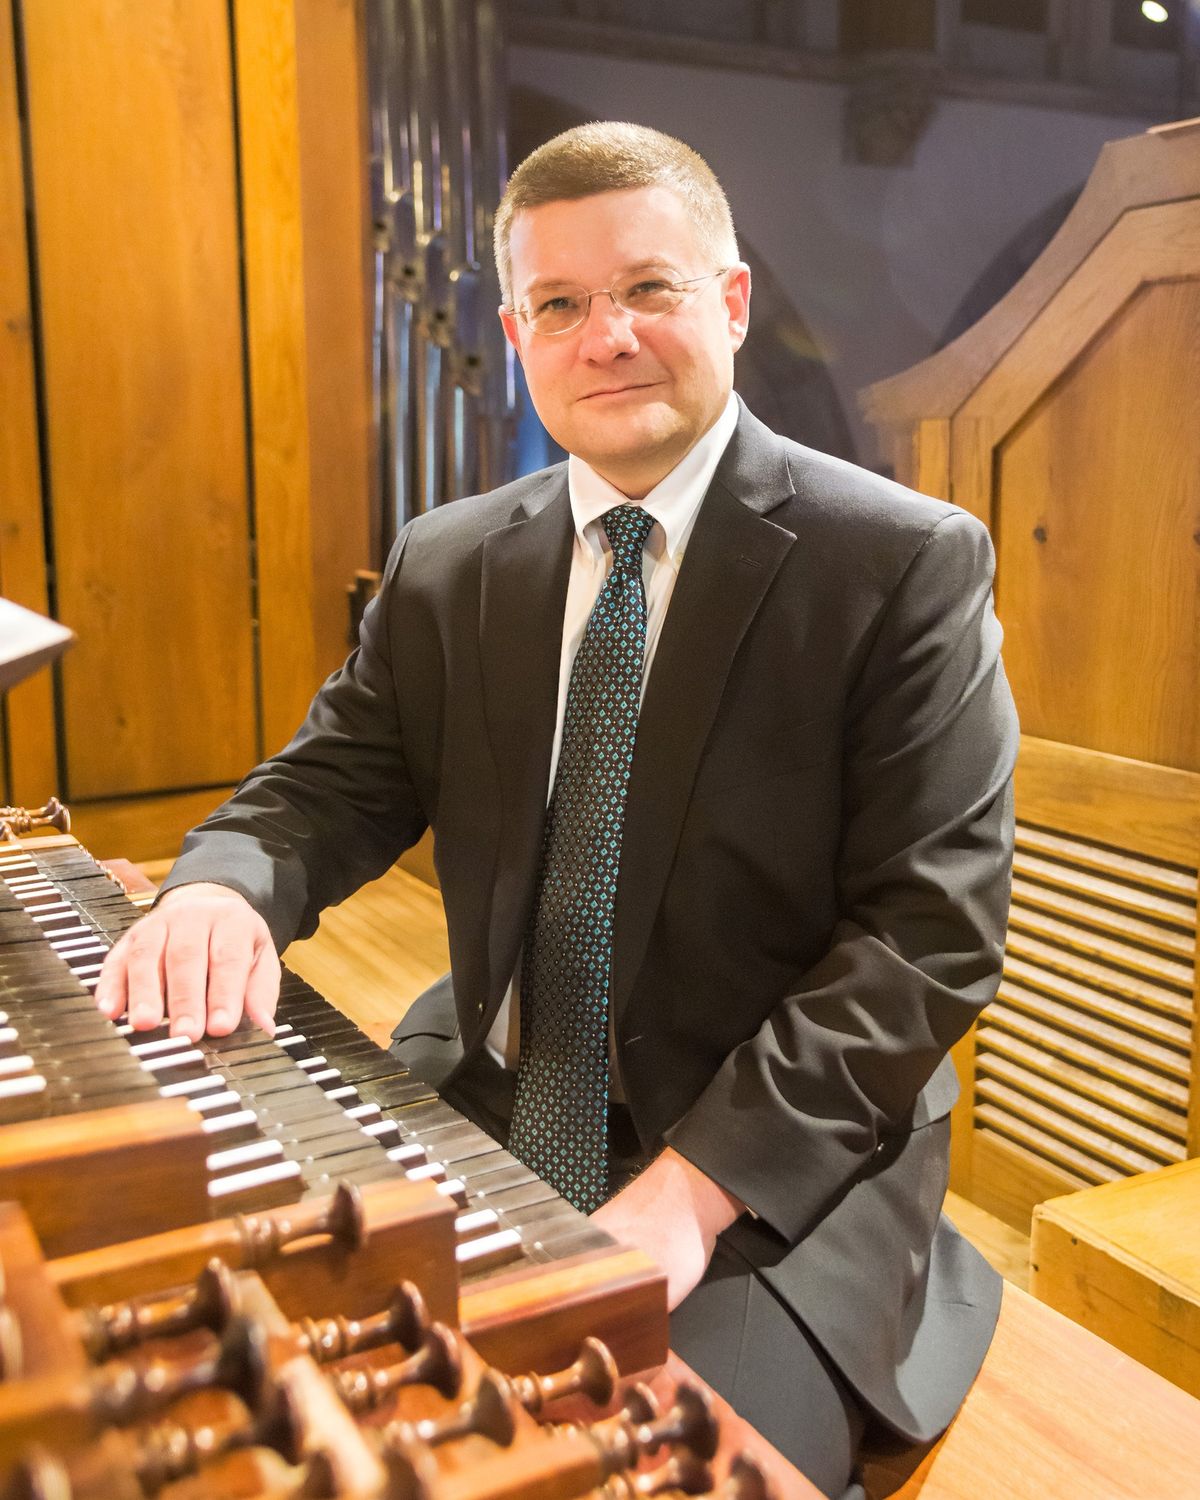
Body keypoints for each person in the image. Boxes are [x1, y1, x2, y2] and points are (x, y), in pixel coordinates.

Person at [97, 123, 1018, 1495]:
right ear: (519, 330)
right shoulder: (449, 560)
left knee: (631, 1469)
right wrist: (222, 881)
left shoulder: (900, 563)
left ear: (732, 302)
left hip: (768, 1154)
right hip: (490, 1092)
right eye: (562, 305)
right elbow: (332, 782)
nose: (608, 339)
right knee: (256, 1388)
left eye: (649, 289)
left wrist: (693, 1190)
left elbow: (924, 936)